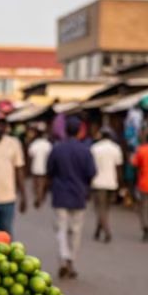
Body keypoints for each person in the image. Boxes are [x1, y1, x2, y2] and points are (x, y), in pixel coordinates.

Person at [44, 115, 96, 278]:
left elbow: (50, 171)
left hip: (60, 195)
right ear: (79, 131)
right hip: (78, 195)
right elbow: (91, 173)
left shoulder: (57, 148)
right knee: (76, 230)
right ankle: (71, 260)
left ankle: (63, 259)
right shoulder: (85, 150)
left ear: (65, 130)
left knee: (61, 229)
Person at [90, 126, 123, 242]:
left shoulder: (95, 148)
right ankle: (98, 230)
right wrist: (120, 184)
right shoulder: (116, 148)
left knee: (100, 209)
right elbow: (119, 167)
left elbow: (90, 167)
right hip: (111, 182)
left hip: (98, 182)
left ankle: (106, 231)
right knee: (106, 209)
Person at [27, 125, 52, 208]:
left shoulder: (34, 144)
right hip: (45, 169)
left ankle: (38, 198)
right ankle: (40, 198)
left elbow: (30, 156)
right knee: (42, 185)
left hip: (35, 168)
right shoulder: (48, 144)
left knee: (37, 185)